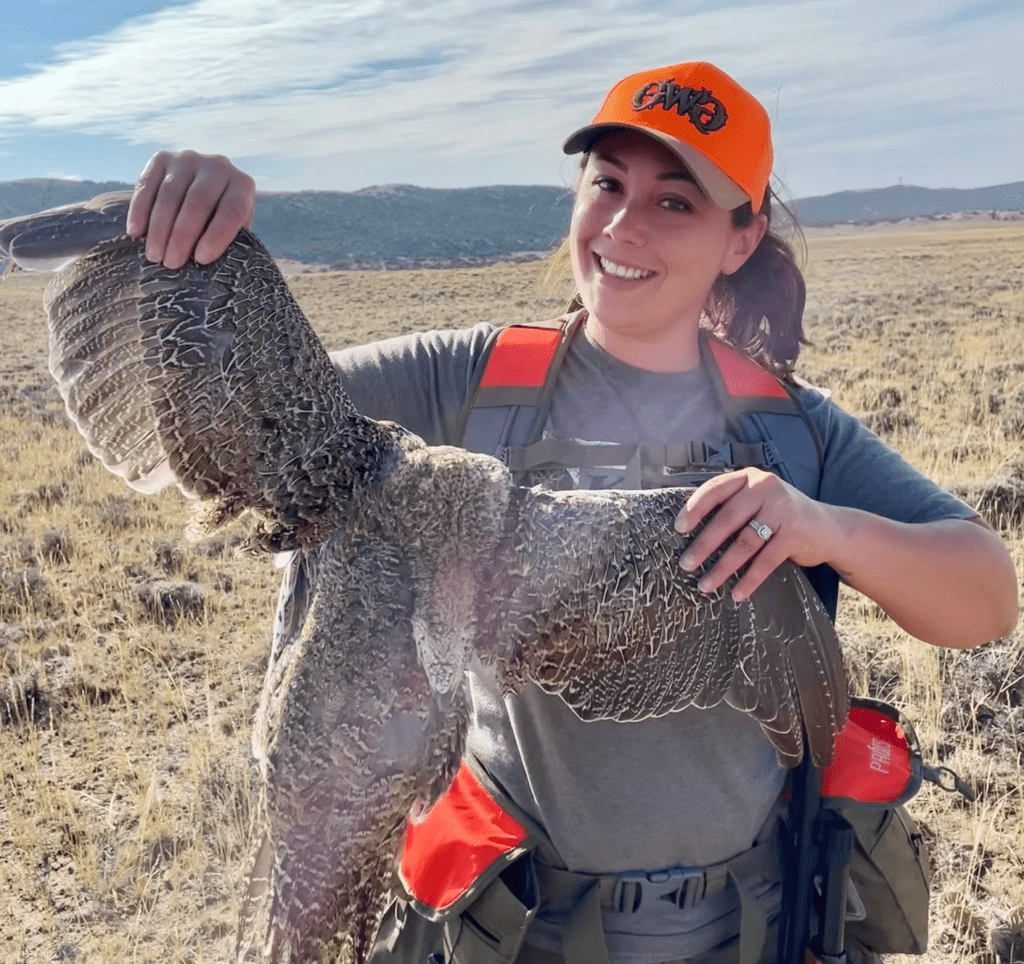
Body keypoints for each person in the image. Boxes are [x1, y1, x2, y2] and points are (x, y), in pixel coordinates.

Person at [125, 61, 1016, 964]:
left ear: (739, 240)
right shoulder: (468, 382)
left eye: (676, 202)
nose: (625, 225)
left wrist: (826, 528)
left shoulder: (794, 431)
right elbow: (239, 444)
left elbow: (987, 599)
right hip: (516, 930)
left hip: (748, 928)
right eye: (608, 185)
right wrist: (201, 258)